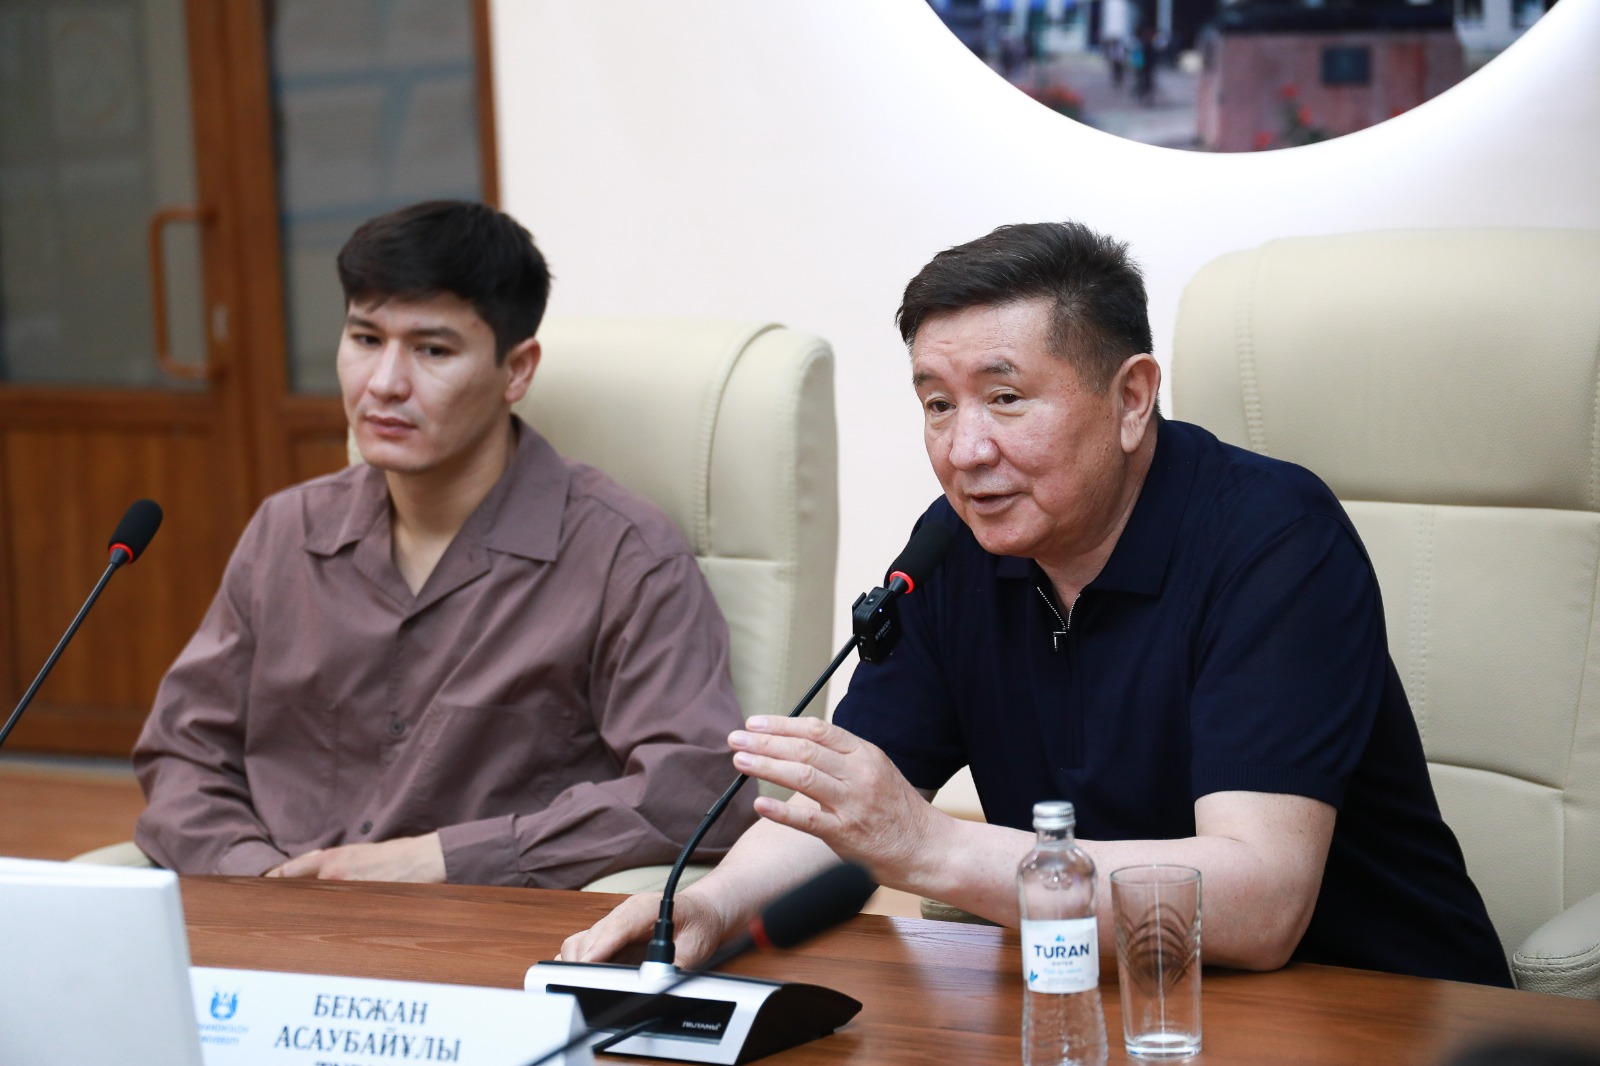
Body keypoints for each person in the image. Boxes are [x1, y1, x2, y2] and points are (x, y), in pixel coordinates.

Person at [561, 221, 1511, 986]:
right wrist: (710, 907)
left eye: (1006, 398)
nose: (965, 450)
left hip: (1372, 1006)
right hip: (1103, 1002)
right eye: (938, 404)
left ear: (1132, 398)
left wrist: (934, 849)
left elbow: (1261, 904)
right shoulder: (957, 549)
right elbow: (858, 805)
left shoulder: (1273, 540)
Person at [133, 200, 755, 887]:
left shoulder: (624, 556)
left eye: (432, 350)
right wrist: (259, 878)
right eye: (365, 338)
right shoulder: (288, 531)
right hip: (266, 923)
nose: (384, 384)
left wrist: (442, 860)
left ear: (516, 370)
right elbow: (184, 755)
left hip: (479, 933)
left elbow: (697, 793)